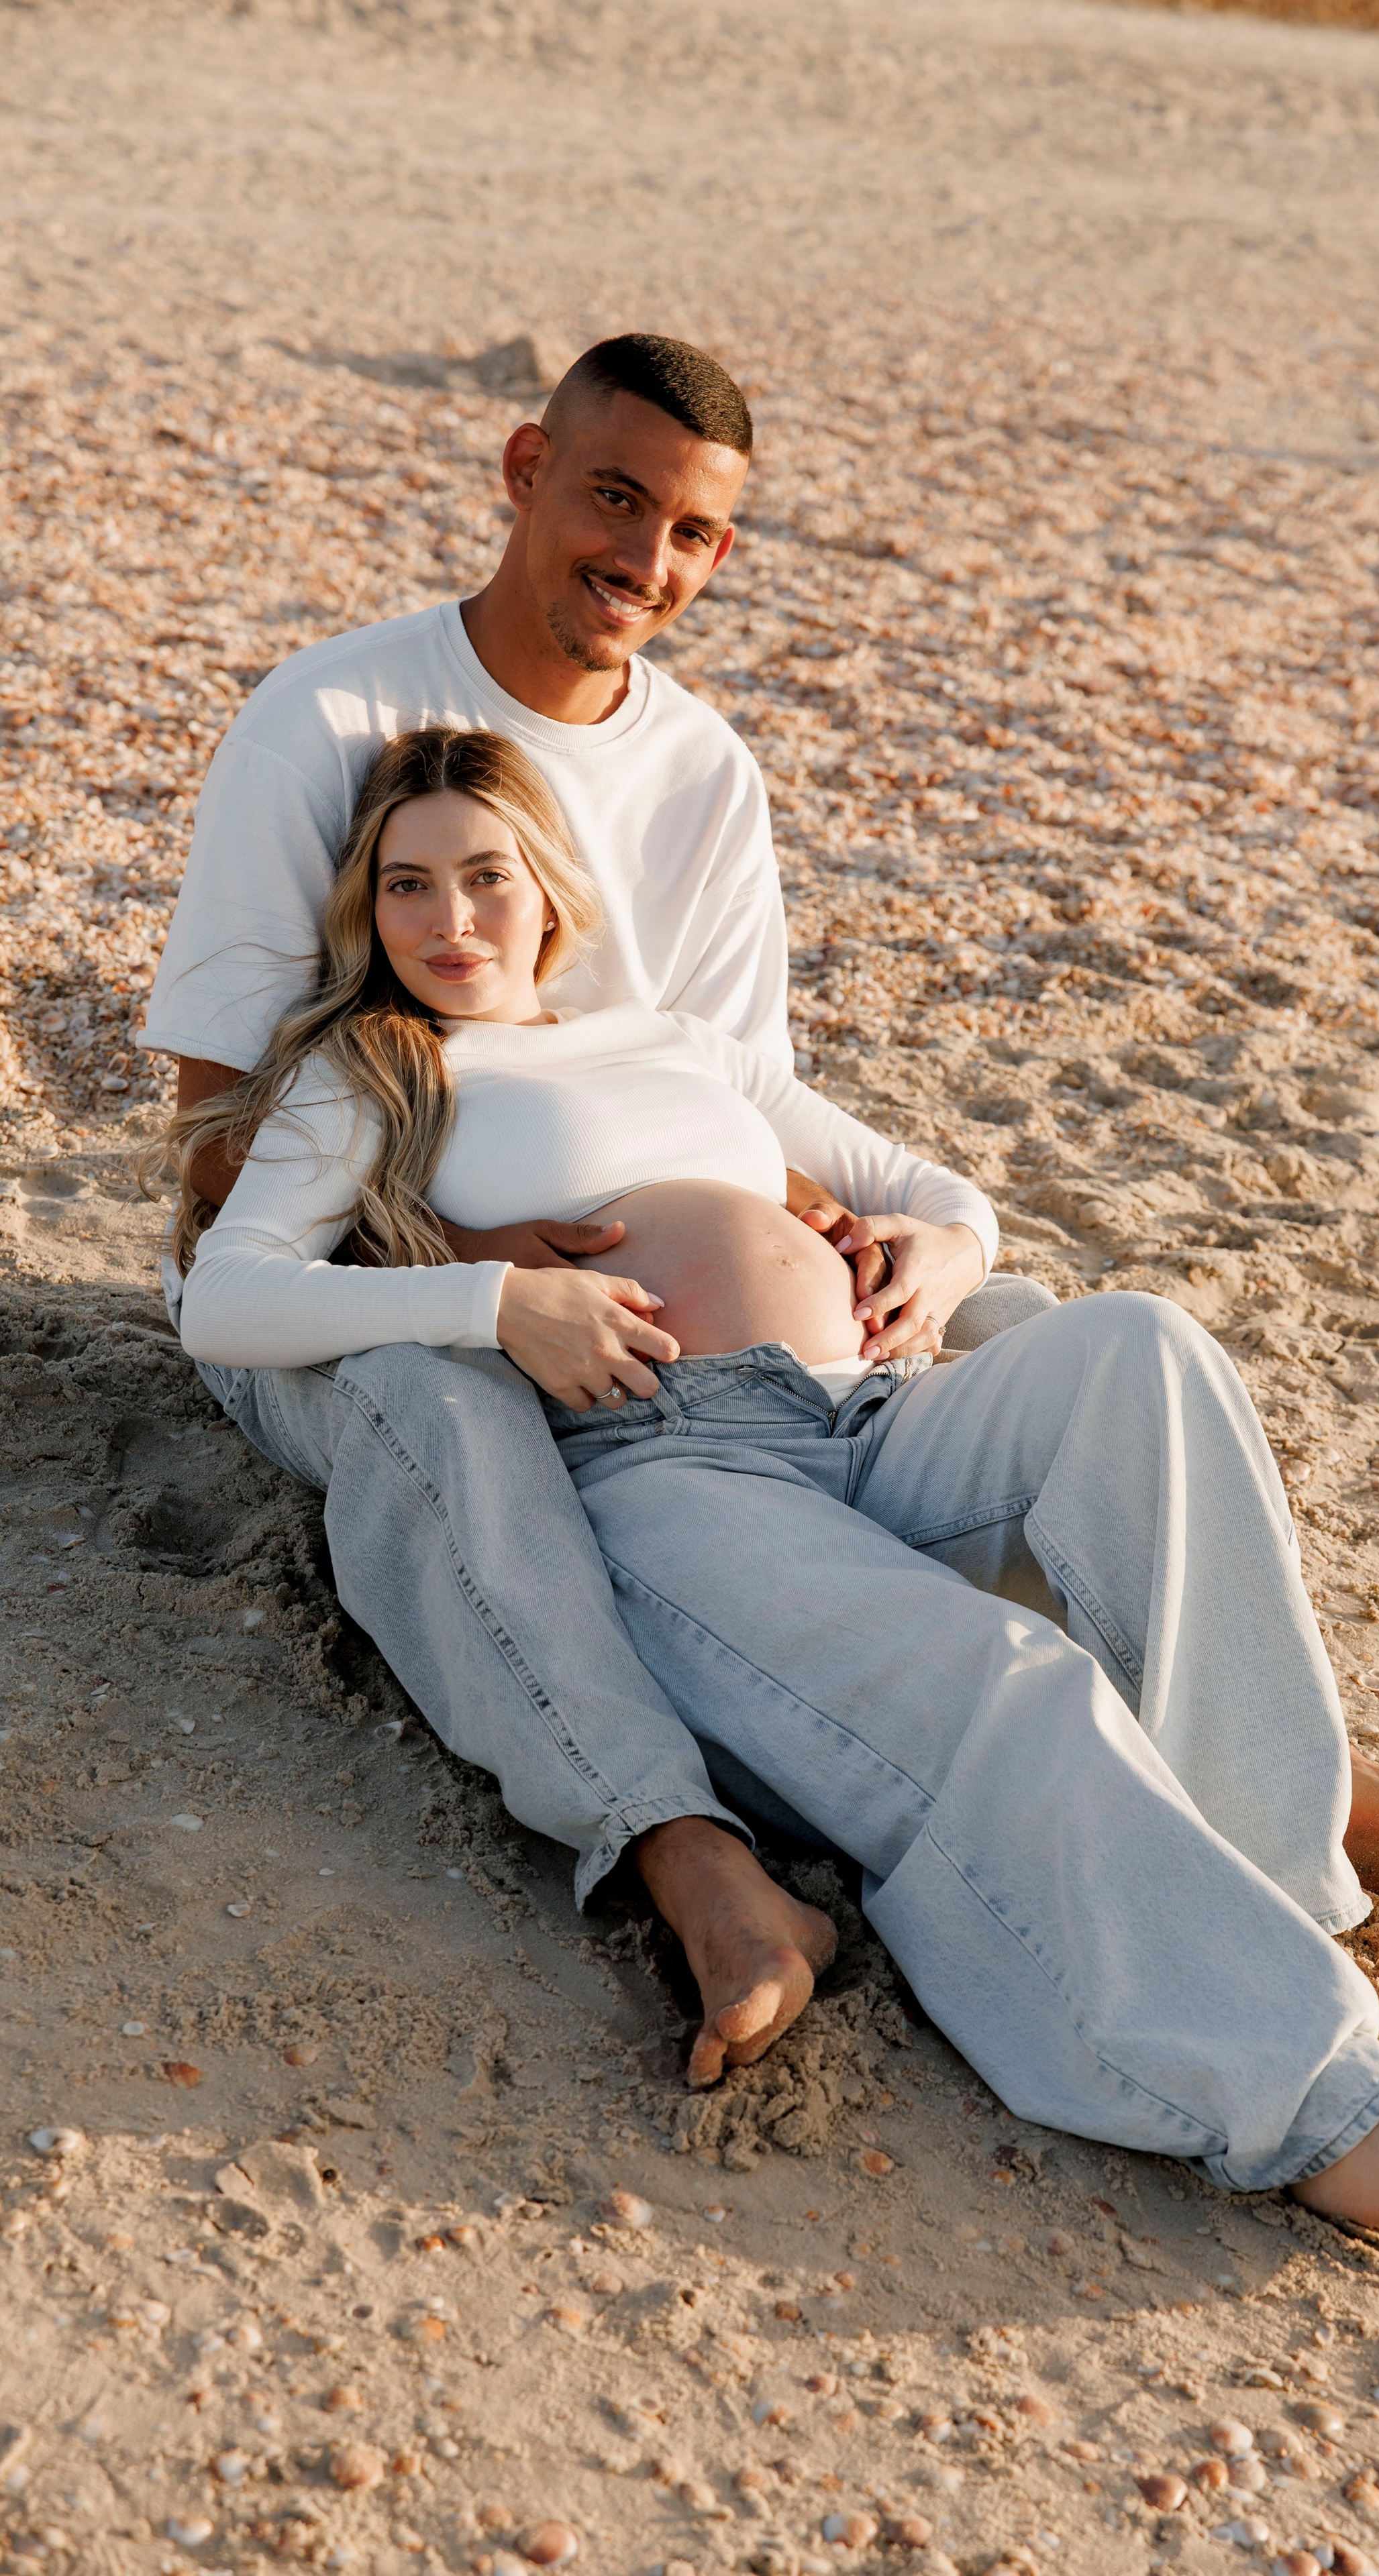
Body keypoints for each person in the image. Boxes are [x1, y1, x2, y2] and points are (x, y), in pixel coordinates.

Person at [170, 724, 1379, 2255]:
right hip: (669, 1464)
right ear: (368, 909)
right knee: (1010, 1682)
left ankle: (1275, 1876)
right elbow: (233, 1295)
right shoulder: (376, 1073)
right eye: (406, 886)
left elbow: (932, 1189)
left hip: (873, 1411)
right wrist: (492, 1302)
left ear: (550, 892)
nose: (449, 920)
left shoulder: (675, 1042)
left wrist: (947, 1249)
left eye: (485, 876)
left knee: (1139, 1345)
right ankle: (1320, 2106)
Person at [144, 331, 1045, 2057]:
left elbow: (729, 1098)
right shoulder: (326, 717)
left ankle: (1196, 1732)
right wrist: (476, 1270)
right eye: (613, 499)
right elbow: (209, 1146)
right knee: (443, 1405)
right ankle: (685, 1853)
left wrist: (850, 1237)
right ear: (522, 471)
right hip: (367, 1287)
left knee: (1020, 1326)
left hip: (665, 1328)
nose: (644, 557)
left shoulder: (704, 772)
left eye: (690, 531)